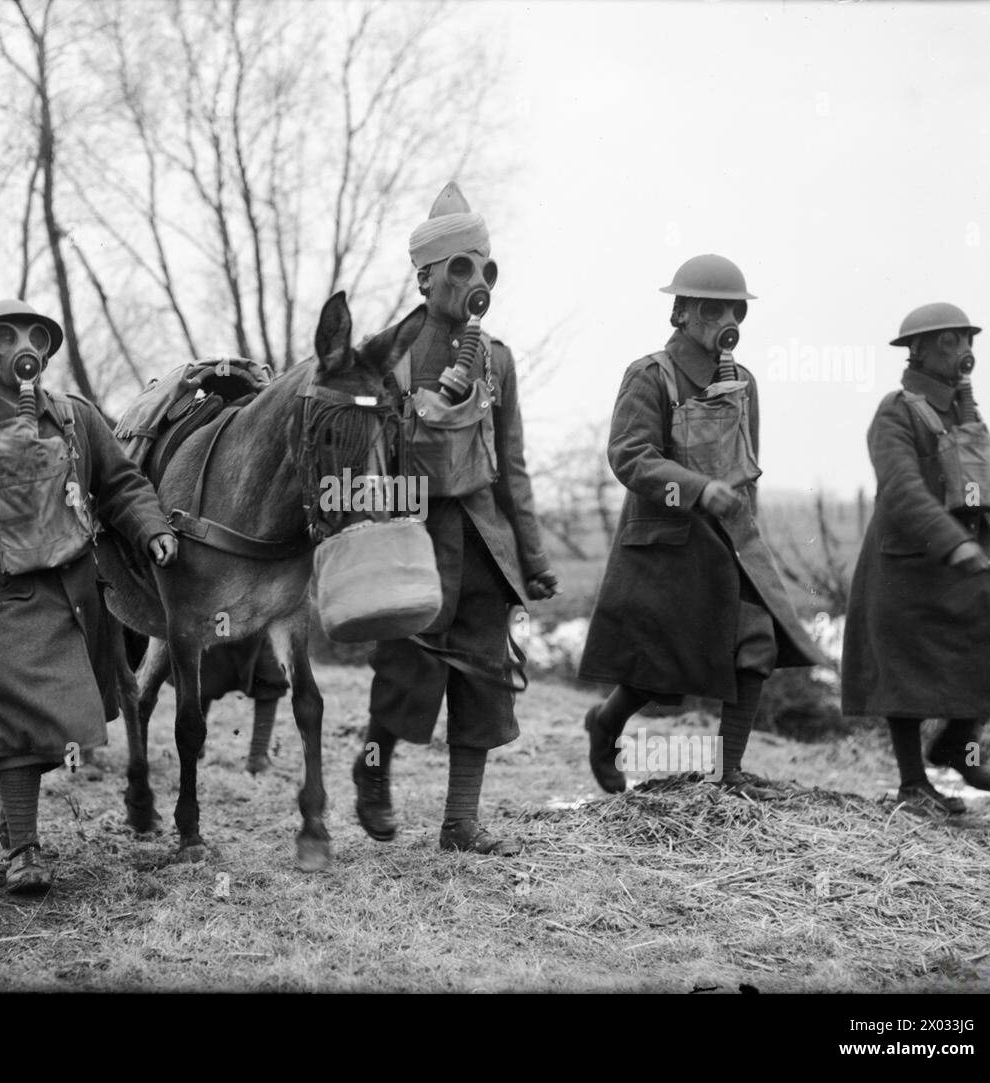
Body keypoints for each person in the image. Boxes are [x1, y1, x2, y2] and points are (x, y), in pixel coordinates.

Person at [0, 300, 177, 892]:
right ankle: (24, 849)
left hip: (73, 597)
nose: (23, 345)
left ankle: (14, 808)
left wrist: (151, 528)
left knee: (63, 723)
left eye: (34, 336)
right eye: (5, 336)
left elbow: (122, 485)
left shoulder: (76, 419)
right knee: (12, 727)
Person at [351, 182, 557, 856]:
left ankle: (460, 821)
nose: (474, 282)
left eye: (484, 268)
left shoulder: (495, 358)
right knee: (406, 675)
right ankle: (372, 771)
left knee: (483, 679)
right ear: (425, 277)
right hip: (411, 535)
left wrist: (533, 554)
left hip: (482, 539)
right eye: (459, 268)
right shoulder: (384, 355)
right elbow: (356, 455)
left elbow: (514, 461)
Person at [577, 254, 825, 799]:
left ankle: (727, 772)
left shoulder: (746, 384)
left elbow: (747, 462)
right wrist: (694, 489)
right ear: (682, 313)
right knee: (658, 668)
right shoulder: (650, 376)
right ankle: (607, 725)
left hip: (732, 540)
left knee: (754, 646)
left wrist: (743, 527)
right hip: (667, 545)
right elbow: (629, 457)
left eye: (733, 308)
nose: (724, 319)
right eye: (711, 308)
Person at [842, 303, 990, 814]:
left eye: (967, 341)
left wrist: (973, 540)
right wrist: (952, 541)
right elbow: (901, 490)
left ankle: (955, 744)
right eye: (949, 342)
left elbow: (979, 478)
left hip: (962, 549)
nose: (964, 351)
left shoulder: (962, 411)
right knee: (904, 670)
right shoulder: (895, 410)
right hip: (905, 560)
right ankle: (912, 783)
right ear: (917, 350)